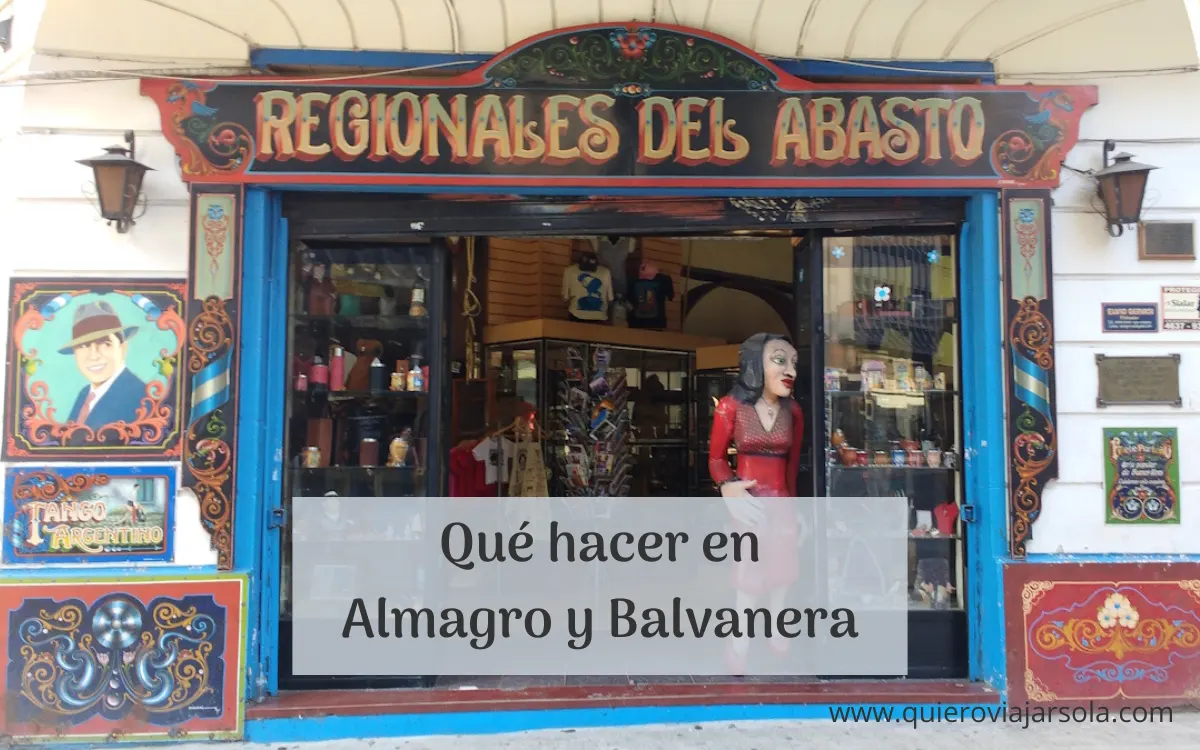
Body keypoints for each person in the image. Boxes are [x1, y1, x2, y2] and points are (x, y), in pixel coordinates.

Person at [707, 333, 803, 673]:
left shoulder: (794, 411)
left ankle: (777, 627)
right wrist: (728, 486)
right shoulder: (731, 407)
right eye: (779, 360)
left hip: (781, 498)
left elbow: (793, 465)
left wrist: (797, 507)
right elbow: (716, 458)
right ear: (755, 364)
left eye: (793, 362)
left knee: (784, 568)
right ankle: (739, 643)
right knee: (749, 570)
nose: (789, 370)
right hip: (748, 500)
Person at [58, 300, 148, 427]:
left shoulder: (142, 398)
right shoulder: (85, 394)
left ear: (123, 348)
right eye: (83, 346)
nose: (93, 356)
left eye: (106, 344)